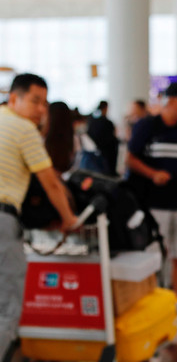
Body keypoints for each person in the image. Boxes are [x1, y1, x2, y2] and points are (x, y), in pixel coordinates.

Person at [0, 74, 78, 359]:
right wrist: (69, 219)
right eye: (35, 101)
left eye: (44, 103)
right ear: (13, 98)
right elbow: (51, 183)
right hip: (2, 219)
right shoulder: (23, 128)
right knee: (7, 304)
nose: (41, 109)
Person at [126, 82, 177, 322]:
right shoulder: (147, 126)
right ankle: (155, 304)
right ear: (171, 101)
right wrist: (152, 174)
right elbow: (130, 159)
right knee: (156, 255)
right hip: (155, 204)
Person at [86, 100, 119, 176]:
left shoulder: (92, 119)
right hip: (106, 151)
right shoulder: (107, 122)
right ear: (106, 108)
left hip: (95, 149)